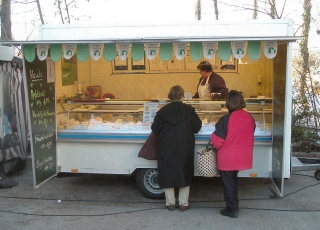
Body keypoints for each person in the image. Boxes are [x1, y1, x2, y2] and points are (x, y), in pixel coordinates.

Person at [151, 85, 202, 211]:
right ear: (182, 96)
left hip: (166, 147)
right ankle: (184, 203)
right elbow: (197, 127)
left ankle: (170, 203)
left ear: (170, 96)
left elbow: (155, 129)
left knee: (167, 171)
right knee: (184, 171)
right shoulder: (189, 110)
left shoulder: (162, 111)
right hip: (185, 146)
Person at [211, 90, 255, 218]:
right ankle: (234, 204)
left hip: (227, 157)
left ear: (228, 103)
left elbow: (218, 141)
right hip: (242, 156)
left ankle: (232, 209)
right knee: (234, 181)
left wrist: (213, 135)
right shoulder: (249, 117)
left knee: (228, 183)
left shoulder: (225, 119)